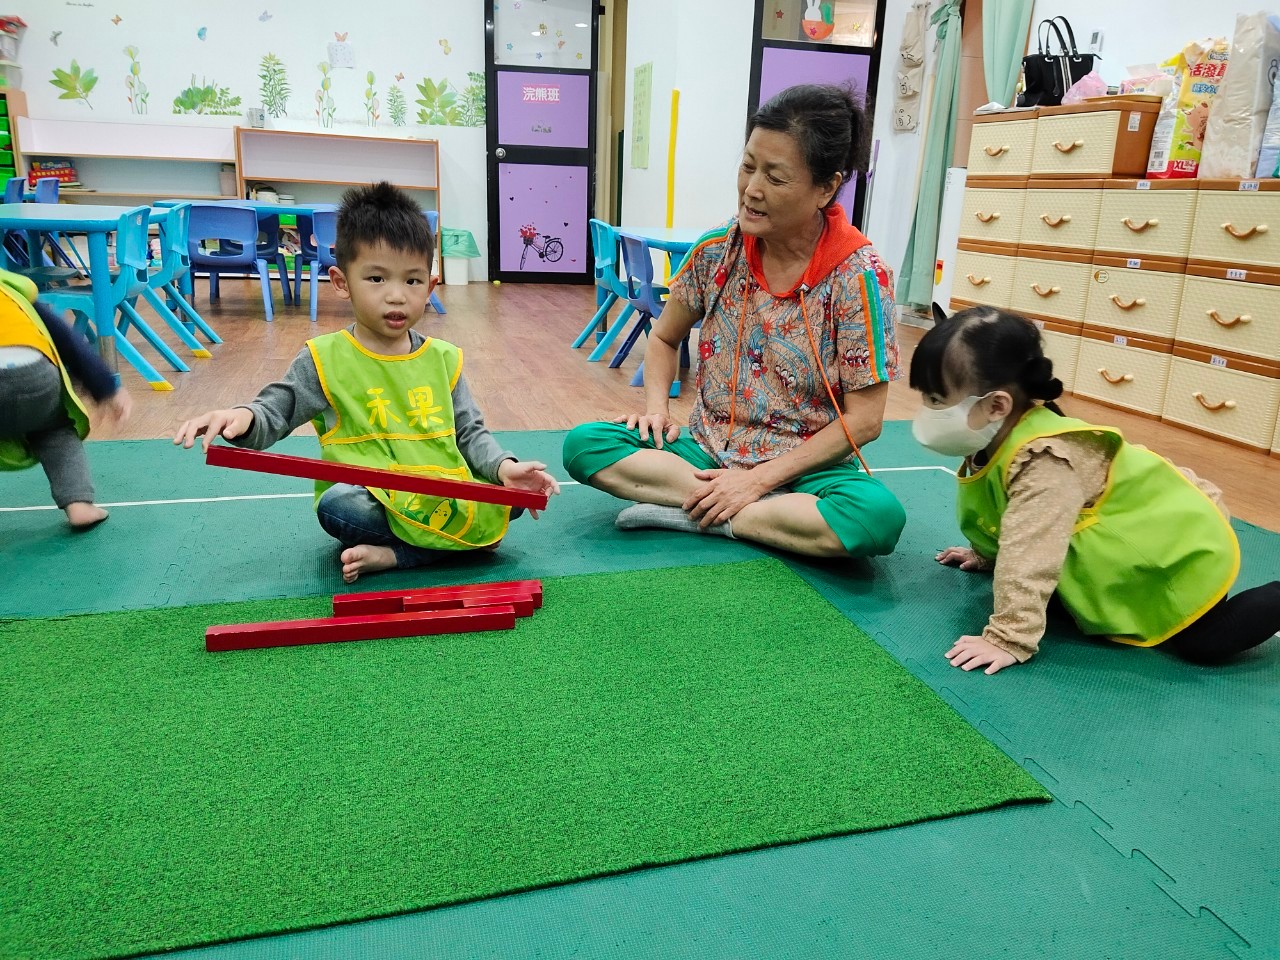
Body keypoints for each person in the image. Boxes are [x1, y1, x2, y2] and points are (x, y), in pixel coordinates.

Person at [562, 84, 906, 559]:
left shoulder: (860, 278)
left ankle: (703, 513)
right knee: (586, 445)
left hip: (804, 468)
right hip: (705, 451)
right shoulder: (717, 251)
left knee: (877, 518)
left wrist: (757, 480)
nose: (752, 190)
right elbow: (663, 338)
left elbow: (865, 421)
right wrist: (658, 411)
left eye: (776, 178)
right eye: (748, 166)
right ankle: (760, 515)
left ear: (827, 187)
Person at [174, 182, 559, 583]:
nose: (396, 297)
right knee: (339, 505)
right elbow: (276, 410)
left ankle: (401, 554)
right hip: (376, 500)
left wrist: (504, 468)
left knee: (511, 494)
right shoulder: (325, 358)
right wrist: (241, 417)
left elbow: (471, 434)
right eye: (376, 279)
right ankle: (453, 546)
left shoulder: (444, 358)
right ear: (341, 282)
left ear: (428, 287)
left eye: (412, 282)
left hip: (439, 491)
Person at [910, 305, 1279, 674]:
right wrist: (986, 554)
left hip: (1173, 555)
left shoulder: (1046, 461)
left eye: (937, 401)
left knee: (1203, 642)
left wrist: (1008, 637)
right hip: (1118, 549)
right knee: (1059, 604)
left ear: (996, 405)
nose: (926, 411)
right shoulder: (990, 436)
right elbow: (1003, 509)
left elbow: (1033, 549)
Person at [0, 269, 131, 529]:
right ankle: (79, 504)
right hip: (35, 372)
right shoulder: (11, 289)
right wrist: (105, 388)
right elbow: (66, 339)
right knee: (53, 429)